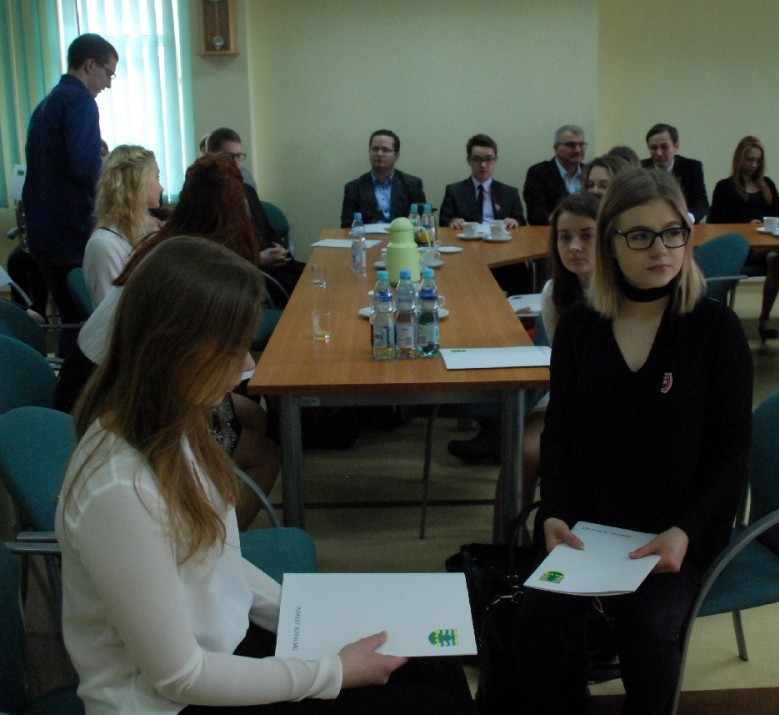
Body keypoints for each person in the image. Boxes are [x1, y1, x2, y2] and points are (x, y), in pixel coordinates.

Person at [56, 236, 474, 715]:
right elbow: (180, 677)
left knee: (430, 662)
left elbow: (218, 565)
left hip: (220, 652)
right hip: (171, 702)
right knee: (425, 702)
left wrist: (314, 618)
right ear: (175, 351)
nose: (248, 365)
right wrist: (333, 672)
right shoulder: (118, 489)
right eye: (233, 349)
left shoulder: (172, 425)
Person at [512, 168, 752, 713]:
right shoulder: (581, 327)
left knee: (647, 630)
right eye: (640, 235)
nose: (660, 249)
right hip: (592, 528)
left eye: (672, 232)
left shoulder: (715, 329)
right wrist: (554, 512)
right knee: (538, 624)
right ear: (611, 244)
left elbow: (731, 452)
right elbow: (560, 434)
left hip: (678, 530)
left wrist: (686, 531)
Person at [57, 155, 280, 529]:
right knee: (264, 452)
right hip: (109, 390)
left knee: (256, 416)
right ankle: (216, 534)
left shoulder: (170, 246)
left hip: (100, 376)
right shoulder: (196, 269)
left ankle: (217, 529)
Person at [489, 193, 601, 541]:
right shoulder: (555, 293)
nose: (574, 247)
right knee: (524, 453)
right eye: (565, 238)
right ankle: (506, 546)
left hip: (614, 399)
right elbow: (564, 372)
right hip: (568, 394)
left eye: (586, 236)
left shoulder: (624, 291)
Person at [21, 33, 117, 355]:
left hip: (44, 231)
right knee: (87, 325)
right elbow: (85, 168)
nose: (109, 84)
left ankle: (64, 381)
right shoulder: (81, 103)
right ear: (90, 65)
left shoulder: (47, 103)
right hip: (70, 231)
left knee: (70, 319)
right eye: (109, 73)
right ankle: (73, 384)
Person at [708, 135, 779, 342]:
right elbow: (717, 223)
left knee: (778, 257)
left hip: (768, 247)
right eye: (749, 159)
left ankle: (765, 320)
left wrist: (768, 222)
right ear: (739, 159)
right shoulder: (725, 187)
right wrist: (748, 224)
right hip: (742, 248)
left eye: (757, 160)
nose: (753, 165)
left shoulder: (767, 185)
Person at [207, 127, 303, 304]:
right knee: (307, 292)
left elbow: (267, 229)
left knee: (318, 275)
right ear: (212, 158)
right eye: (229, 157)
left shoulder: (248, 191)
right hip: (250, 275)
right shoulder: (210, 199)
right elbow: (218, 254)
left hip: (274, 265)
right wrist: (259, 259)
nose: (235, 162)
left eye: (239, 156)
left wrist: (281, 249)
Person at [83, 144, 163, 305]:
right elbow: (112, 313)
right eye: (157, 177)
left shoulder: (145, 231)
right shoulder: (104, 245)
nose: (161, 188)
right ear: (138, 181)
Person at [340, 130, 426, 228]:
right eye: (375, 149)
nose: (379, 154)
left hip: (401, 235)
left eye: (385, 150)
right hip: (367, 236)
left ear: (396, 156)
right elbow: (346, 225)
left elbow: (421, 222)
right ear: (369, 152)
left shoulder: (412, 184)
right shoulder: (353, 188)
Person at [439, 134, 525, 229]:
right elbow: (443, 221)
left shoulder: (510, 193)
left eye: (489, 159)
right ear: (468, 160)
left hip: (499, 237)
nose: (483, 165)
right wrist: (453, 222)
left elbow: (521, 221)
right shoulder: (454, 191)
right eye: (477, 159)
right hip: (466, 237)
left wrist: (515, 222)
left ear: (496, 160)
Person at [640, 123, 710, 223]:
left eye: (664, 147)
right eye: (653, 148)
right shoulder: (640, 169)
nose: (659, 153)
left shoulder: (691, 167)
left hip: (683, 223)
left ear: (676, 147)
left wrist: (687, 218)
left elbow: (701, 203)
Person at [523, 125, 587, 225]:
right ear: (556, 147)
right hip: (551, 230)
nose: (578, 150)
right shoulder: (538, 172)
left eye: (581, 144)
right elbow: (535, 214)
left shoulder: (589, 172)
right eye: (571, 145)